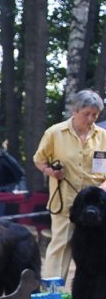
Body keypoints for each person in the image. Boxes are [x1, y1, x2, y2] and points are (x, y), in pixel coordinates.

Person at [33, 89, 106, 282]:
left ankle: (94, 296)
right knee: (61, 244)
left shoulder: (103, 136)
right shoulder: (55, 133)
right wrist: (51, 172)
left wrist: (103, 188)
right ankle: (53, 293)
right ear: (74, 111)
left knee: (99, 247)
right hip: (65, 200)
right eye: (86, 114)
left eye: (95, 115)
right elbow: (39, 160)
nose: (90, 119)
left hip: (98, 205)